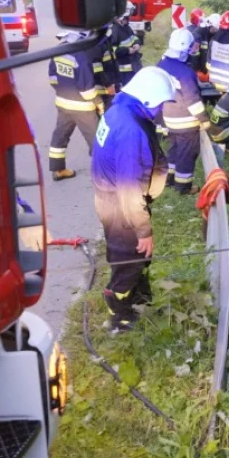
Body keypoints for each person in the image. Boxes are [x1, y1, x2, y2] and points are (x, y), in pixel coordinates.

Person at [93, 66, 179, 333]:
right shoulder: (131, 130)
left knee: (134, 258)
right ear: (149, 99)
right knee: (129, 259)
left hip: (114, 201)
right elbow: (130, 191)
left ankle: (139, 298)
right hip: (123, 208)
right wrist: (143, 231)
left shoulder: (120, 108)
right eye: (162, 104)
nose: (162, 110)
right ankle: (118, 313)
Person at [157, 30, 209, 194]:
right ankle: (183, 186)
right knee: (187, 153)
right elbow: (192, 100)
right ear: (185, 48)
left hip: (168, 117)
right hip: (186, 121)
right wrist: (204, 119)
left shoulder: (162, 64)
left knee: (175, 149)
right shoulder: (186, 73)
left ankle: (169, 179)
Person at [48, 30, 101, 181]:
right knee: (96, 138)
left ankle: (58, 170)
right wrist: (98, 102)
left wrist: (63, 92)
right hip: (82, 107)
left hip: (63, 103)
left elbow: (52, 79)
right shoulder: (80, 55)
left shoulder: (57, 52)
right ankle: (104, 172)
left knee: (60, 135)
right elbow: (87, 88)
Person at [111, 1, 143, 86]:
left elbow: (134, 38)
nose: (129, 19)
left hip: (134, 66)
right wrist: (127, 50)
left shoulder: (126, 27)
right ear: (121, 18)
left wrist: (137, 43)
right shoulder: (115, 31)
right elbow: (112, 51)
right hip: (123, 71)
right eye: (127, 18)